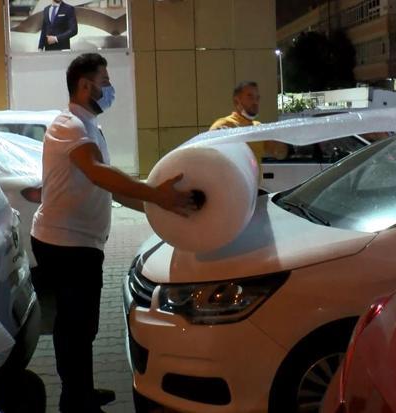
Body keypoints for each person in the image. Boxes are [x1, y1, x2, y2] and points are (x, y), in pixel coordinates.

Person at [30, 53, 195, 413]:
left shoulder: (89, 127)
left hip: (79, 243)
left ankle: (81, 391)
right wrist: (156, 194)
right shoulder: (69, 125)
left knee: (82, 326)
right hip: (65, 245)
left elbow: (111, 188)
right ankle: (75, 402)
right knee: (75, 327)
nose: (109, 89)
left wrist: (160, 208)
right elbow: (97, 172)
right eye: (104, 82)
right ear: (85, 85)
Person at [210, 81, 287, 169]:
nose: (255, 102)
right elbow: (208, 156)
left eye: (257, 98)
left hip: (254, 178)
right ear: (236, 101)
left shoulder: (259, 128)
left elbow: (280, 154)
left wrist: (287, 140)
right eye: (250, 97)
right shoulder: (224, 125)